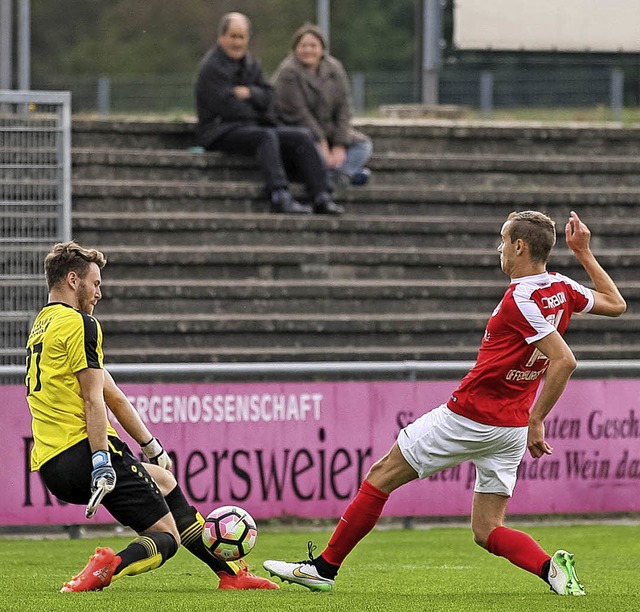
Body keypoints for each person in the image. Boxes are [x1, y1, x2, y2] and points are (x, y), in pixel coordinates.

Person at [263, 210, 627, 596]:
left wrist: (539, 419)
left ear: (519, 246)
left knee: (380, 476)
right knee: (487, 530)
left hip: (472, 415)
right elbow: (615, 303)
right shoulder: (561, 287)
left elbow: (565, 360)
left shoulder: (521, 297)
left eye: (503, 241)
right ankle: (552, 570)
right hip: (509, 430)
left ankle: (323, 568)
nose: (499, 249)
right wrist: (584, 252)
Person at [26, 241, 278, 593]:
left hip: (53, 464)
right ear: (72, 280)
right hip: (87, 453)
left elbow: (111, 393)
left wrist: (151, 445)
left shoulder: (42, 324)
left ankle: (230, 574)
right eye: (95, 283)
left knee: (165, 482)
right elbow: (93, 400)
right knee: (165, 537)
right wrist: (101, 459)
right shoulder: (80, 324)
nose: (99, 292)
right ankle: (108, 566)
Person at [195, 12, 343, 215]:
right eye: (233, 36)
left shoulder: (250, 63)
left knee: (301, 136)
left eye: (242, 37)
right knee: (266, 135)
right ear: (222, 37)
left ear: (248, 39)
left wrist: (249, 93)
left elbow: (269, 96)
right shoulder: (212, 68)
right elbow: (227, 107)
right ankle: (279, 194)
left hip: (250, 126)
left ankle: (321, 195)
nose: (237, 42)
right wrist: (257, 104)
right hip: (219, 130)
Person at [272, 23, 373, 188]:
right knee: (314, 153)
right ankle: (346, 175)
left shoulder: (335, 69)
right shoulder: (287, 73)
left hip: (329, 129)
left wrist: (340, 144)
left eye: (313, 46)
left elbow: (343, 108)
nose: (308, 50)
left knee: (364, 145)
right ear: (295, 48)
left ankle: (341, 175)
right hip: (300, 132)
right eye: (303, 46)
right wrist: (322, 143)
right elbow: (299, 113)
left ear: (322, 49)